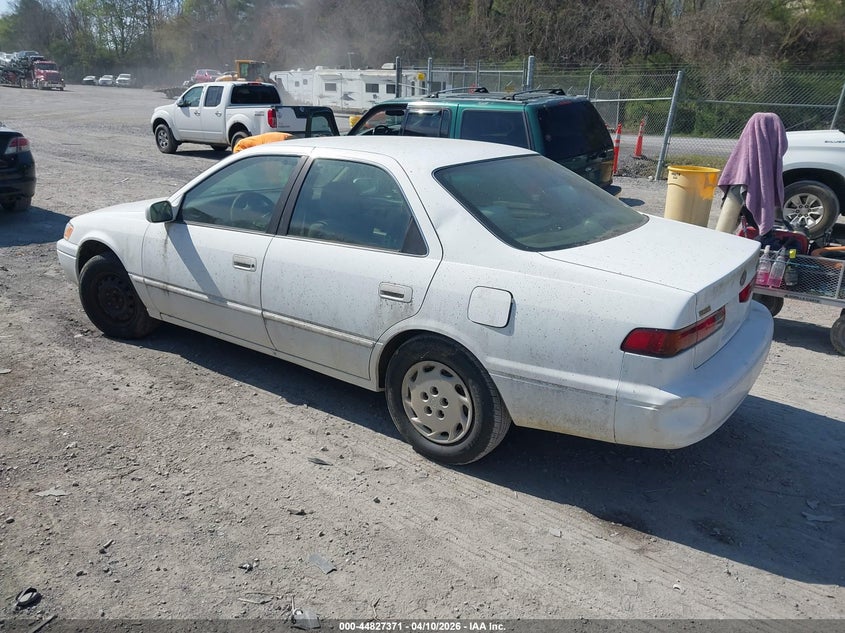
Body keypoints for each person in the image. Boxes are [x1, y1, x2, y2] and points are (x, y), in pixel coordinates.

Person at [715, 112, 788, 236]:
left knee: (724, 231)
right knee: (722, 234)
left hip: (740, 181)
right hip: (739, 184)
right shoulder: (766, 171)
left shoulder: (765, 169)